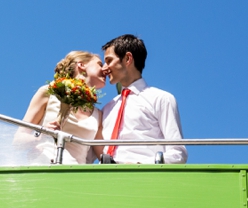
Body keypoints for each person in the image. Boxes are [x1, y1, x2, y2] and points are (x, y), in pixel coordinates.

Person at [100, 34, 187, 164]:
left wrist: (141, 166)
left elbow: (177, 154)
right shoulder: (107, 108)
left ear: (128, 58)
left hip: (146, 178)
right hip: (106, 179)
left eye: (109, 61)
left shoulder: (161, 99)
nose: (104, 68)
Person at [21, 51, 107, 164]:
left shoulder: (98, 115)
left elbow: (103, 155)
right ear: (81, 65)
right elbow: (18, 139)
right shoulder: (49, 93)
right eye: (100, 64)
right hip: (44, 165)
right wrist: (41, 136)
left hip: (75, 176)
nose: (105, 69)